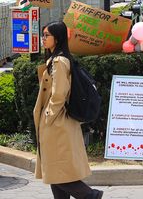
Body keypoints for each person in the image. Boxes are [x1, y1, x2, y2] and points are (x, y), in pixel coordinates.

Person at [35, 21, 102, 199]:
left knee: (57, 171)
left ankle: (90, 195)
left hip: (57, 124)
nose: (43, 38)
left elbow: (59, 94)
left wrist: (48, 116)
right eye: (43, 35)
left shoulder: (59, 61)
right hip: (58, 122)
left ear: (57, 38)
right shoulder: (56, 59)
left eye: (47, 35)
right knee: (54, 172)